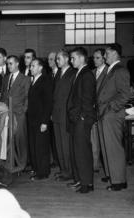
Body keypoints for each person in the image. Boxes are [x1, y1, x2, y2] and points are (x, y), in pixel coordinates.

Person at [97, 43, 130, 191]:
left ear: (116, 54)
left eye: (107, 53)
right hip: (104, 114)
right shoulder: (110, 70)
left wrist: (110, 108)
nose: (105, 56)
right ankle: (112, 176)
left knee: (114, 148)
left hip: (112, 115)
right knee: (106, 148)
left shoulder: (120, 70)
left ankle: (119, 181)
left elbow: (125, 95)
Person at [66, 47, 96, 193]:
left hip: (82, 119)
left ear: (82, 58)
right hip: (76, 119)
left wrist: (83, 116)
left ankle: (87, 184)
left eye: (73, 58)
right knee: (77, 151)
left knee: (83, 151)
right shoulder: (79, 73)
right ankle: (80, 180)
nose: (71, 61)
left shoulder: (87, 74)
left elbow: (88, 98)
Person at [1, 55, 31, 171]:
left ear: (17, 64)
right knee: (8, 139)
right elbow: (4, 95)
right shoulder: (5, 78)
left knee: (20, 139)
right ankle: (10, 163)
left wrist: (24, 110)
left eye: (11, 63)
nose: (9, 66)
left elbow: (28, 97)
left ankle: (22, 165)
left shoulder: (25, 79)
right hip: (7, 114)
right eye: (7, 63)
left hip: (19, 114)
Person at [27, 58, 53, 180]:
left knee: (41, 147)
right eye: (30, 66)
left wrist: (44, 121)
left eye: (33, 66)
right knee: (34, 146)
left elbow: (48, 103)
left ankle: (43, 172)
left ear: (40, 67)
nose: (30, 68)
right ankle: (37, 169)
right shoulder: (34, 80)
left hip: (40, 120)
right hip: (32, 120)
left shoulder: (45, 80)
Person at [52, 50, 76, 181]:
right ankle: (63, 170)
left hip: (66, 115)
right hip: (56, 114)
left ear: (67, 59)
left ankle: (69, 172)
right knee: (59, 144)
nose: (57, 61)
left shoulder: (72, 73)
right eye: (56, 59)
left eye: (59, 58)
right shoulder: (58, 73)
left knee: (66, 145)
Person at [90, 48, 108, 172]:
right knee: (93, 140)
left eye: (97, 58)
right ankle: (95, 165)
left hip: (105, 112)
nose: (95, 60)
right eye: (94, 58)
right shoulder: (91, 72)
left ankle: (108, 168)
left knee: (105, 142)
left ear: (104, 58)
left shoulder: (109, 73)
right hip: (92, 111)